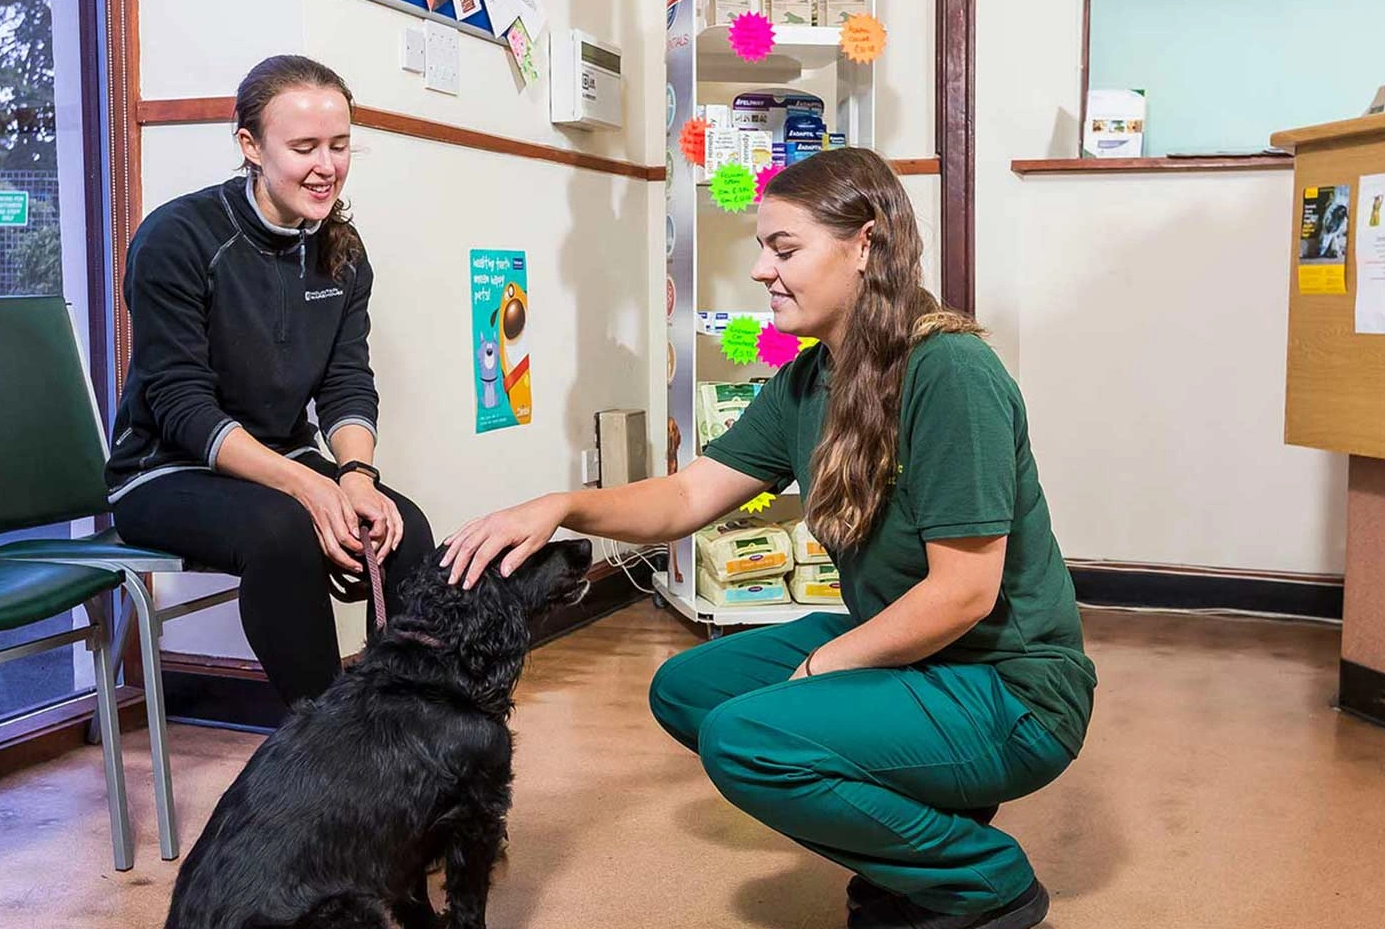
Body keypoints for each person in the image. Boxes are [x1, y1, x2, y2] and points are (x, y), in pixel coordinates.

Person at [441, 148, 1095, 929]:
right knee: (688, 691)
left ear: (866, 244)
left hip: (1010, 690)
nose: (759, 270)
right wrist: (560, 506)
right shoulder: (810, 379)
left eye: (783, 249)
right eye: (762, 248)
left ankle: (980, 879)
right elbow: (687, 495)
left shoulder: (950, 371)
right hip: (921, 661)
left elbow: (963, 593)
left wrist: (824, 666)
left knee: (746, 740)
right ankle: (916, 844)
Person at [107, 55, 434, 706]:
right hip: (164, 471)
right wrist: (312, 490)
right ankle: (324, 747)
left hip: (285, 460)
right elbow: (179, 405)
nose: (327, 167)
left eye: (340, 146)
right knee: (285, 532)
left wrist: (355, 480)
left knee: (404, 529)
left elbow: (345, 382)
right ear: (250, 146)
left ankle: (405, 729)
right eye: (305, 147)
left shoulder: (342, 251)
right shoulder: (177, 238)